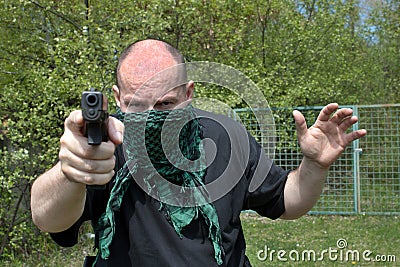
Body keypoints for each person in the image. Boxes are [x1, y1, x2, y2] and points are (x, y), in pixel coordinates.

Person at [31, 39, 367, 267]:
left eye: (165, 104)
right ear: (118, 99)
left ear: (189, 93)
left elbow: (286, 201)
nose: (152, 117)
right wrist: (70, 171)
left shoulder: (226, 135)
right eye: (136, 105)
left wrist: (315, 165)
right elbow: (48, 218)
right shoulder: (106, 143)